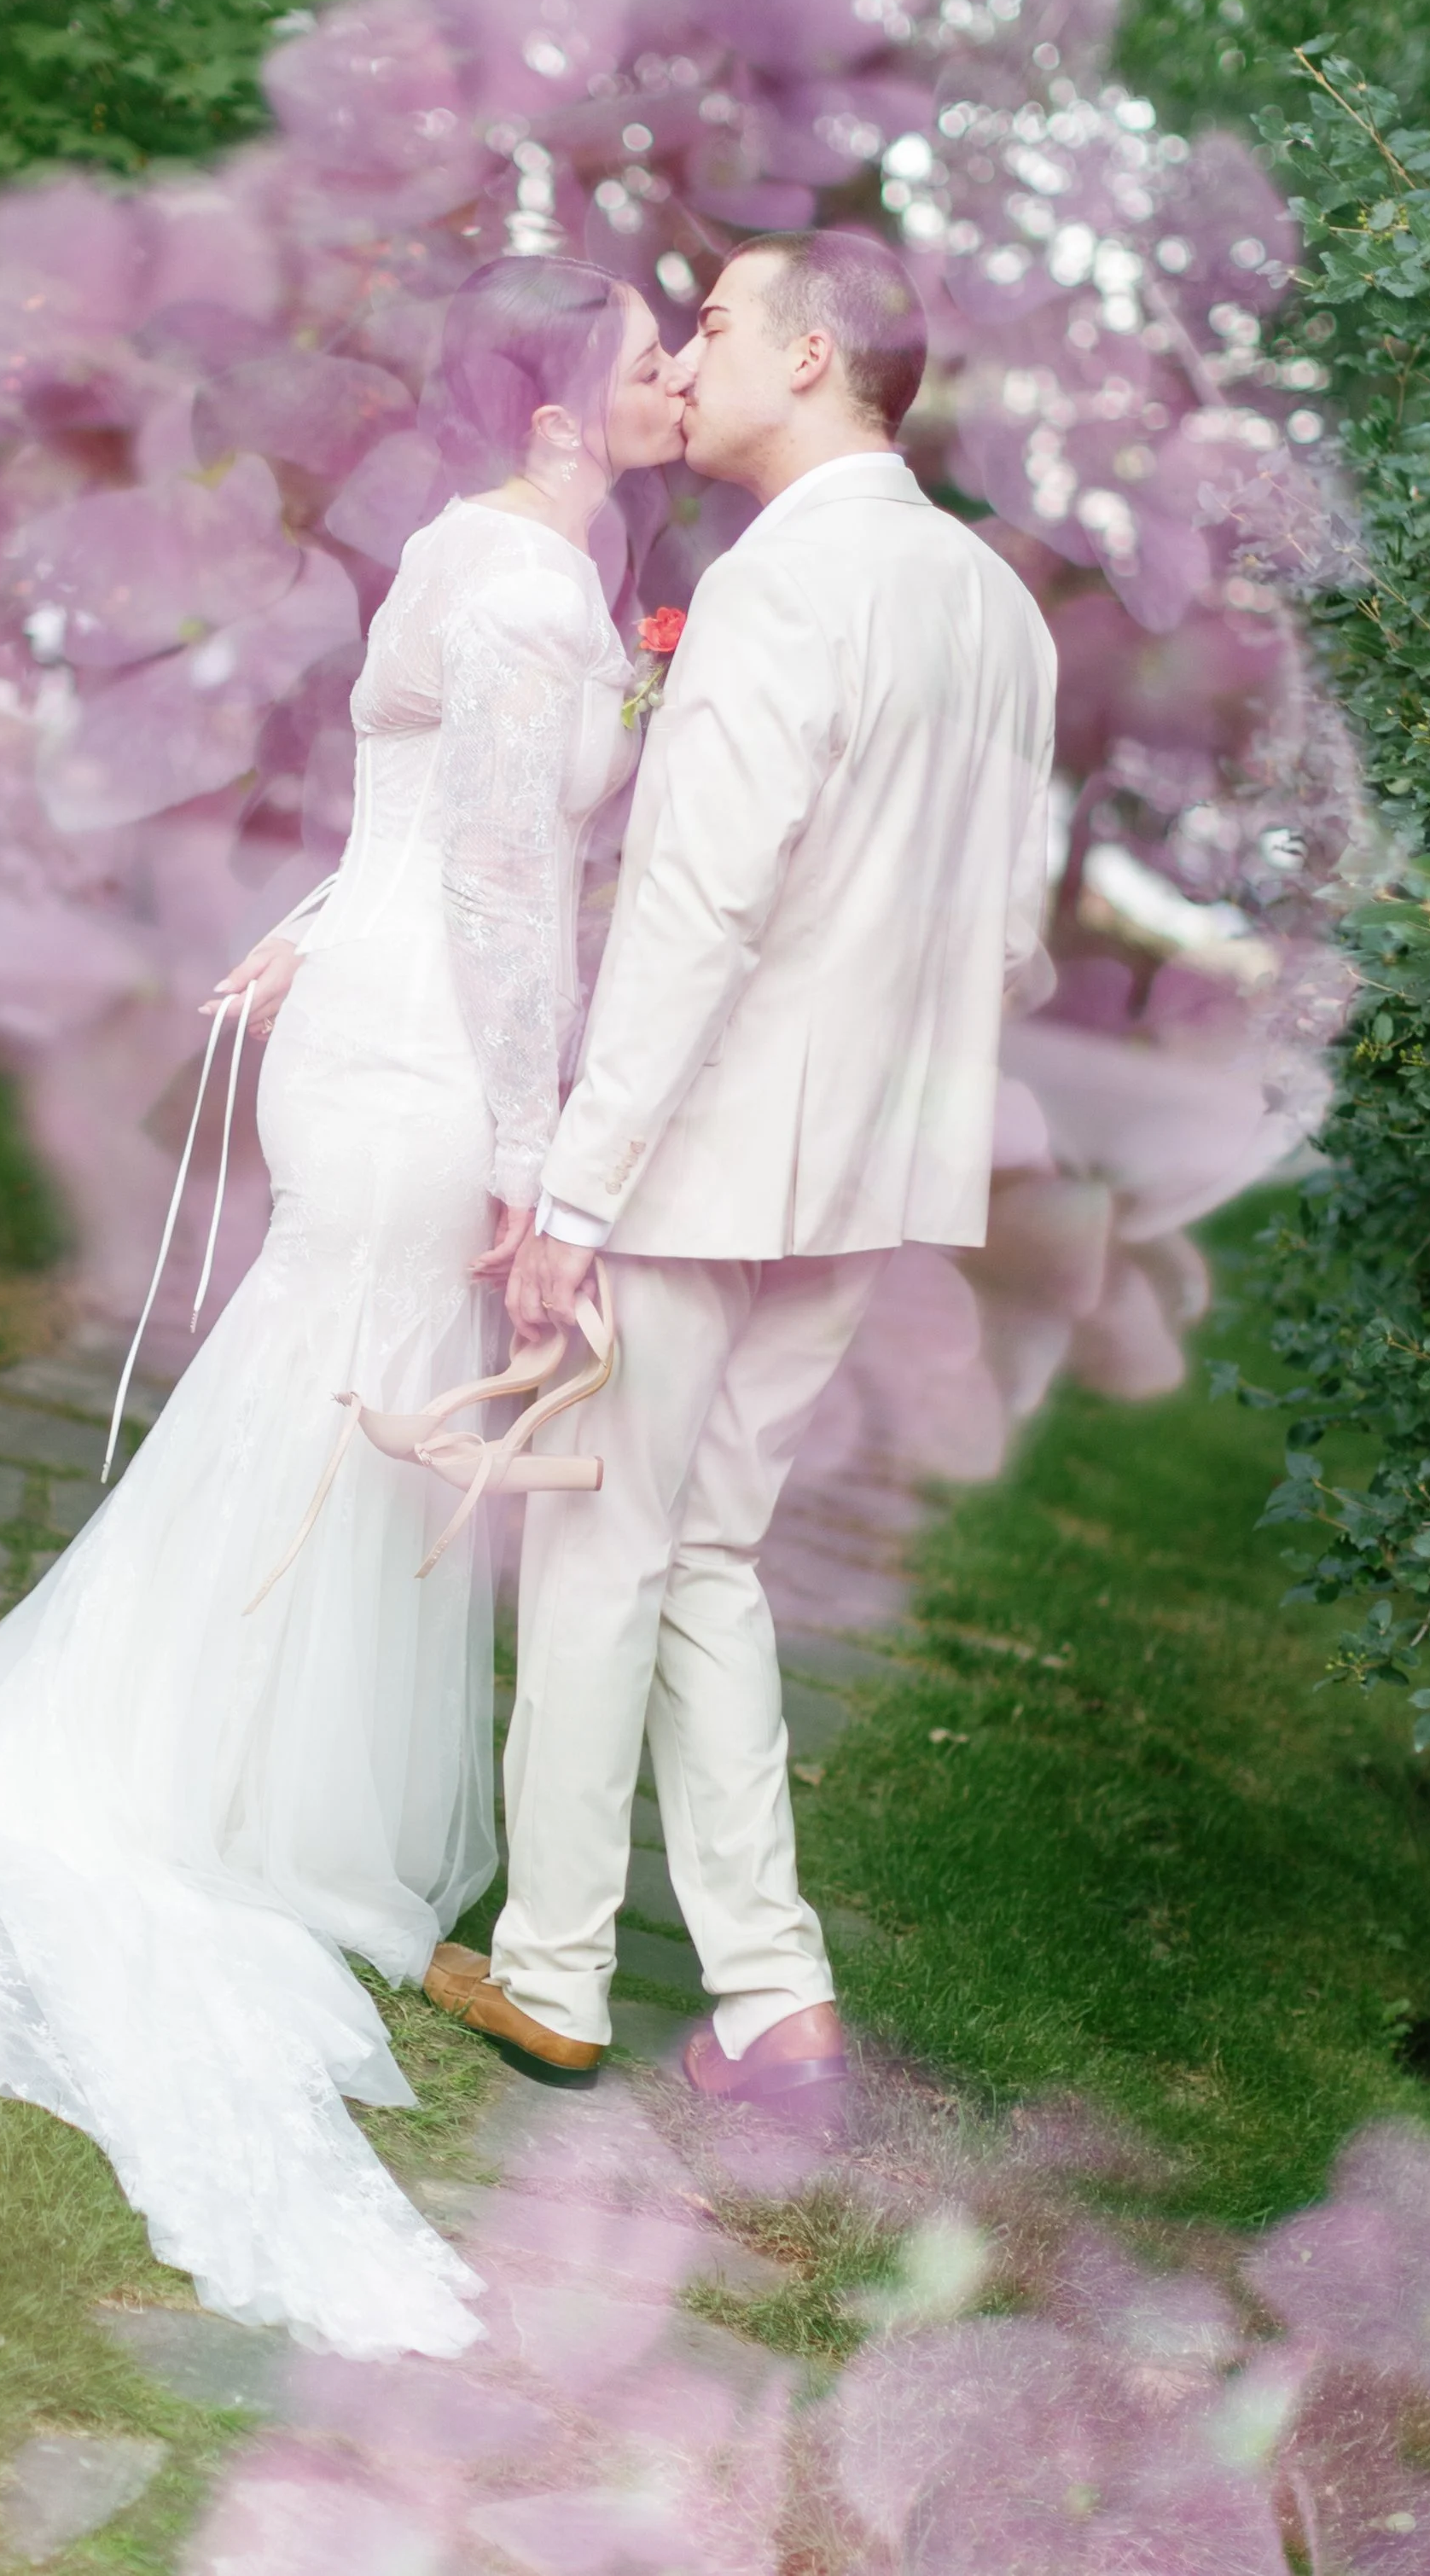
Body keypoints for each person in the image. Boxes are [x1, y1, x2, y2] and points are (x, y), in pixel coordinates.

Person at [0, 255, 688, 2358]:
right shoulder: (535, 592)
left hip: (370, 1007)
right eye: (642, 357)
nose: (675, 374)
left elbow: (405, 821)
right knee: (354, 1399)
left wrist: (302, 927)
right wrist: (532, 1144)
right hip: (431, 1051)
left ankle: (210, 1760)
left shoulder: (458, 550)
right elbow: (500, 885)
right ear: (558, 413)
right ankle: (220, 1803)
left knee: (322, 1388)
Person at [425, 231, 1057, 2102]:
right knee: (705, 1543)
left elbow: (694, 914)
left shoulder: (787, 587)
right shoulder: (994, 608)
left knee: (607, 1548)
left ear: (812, 354)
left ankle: (547, 1968)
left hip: (705, 1156)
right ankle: (775, 1999)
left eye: (711, 326)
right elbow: (1010, 934)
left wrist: (576, 1198)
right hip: (873, 1165)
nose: (685, 360)